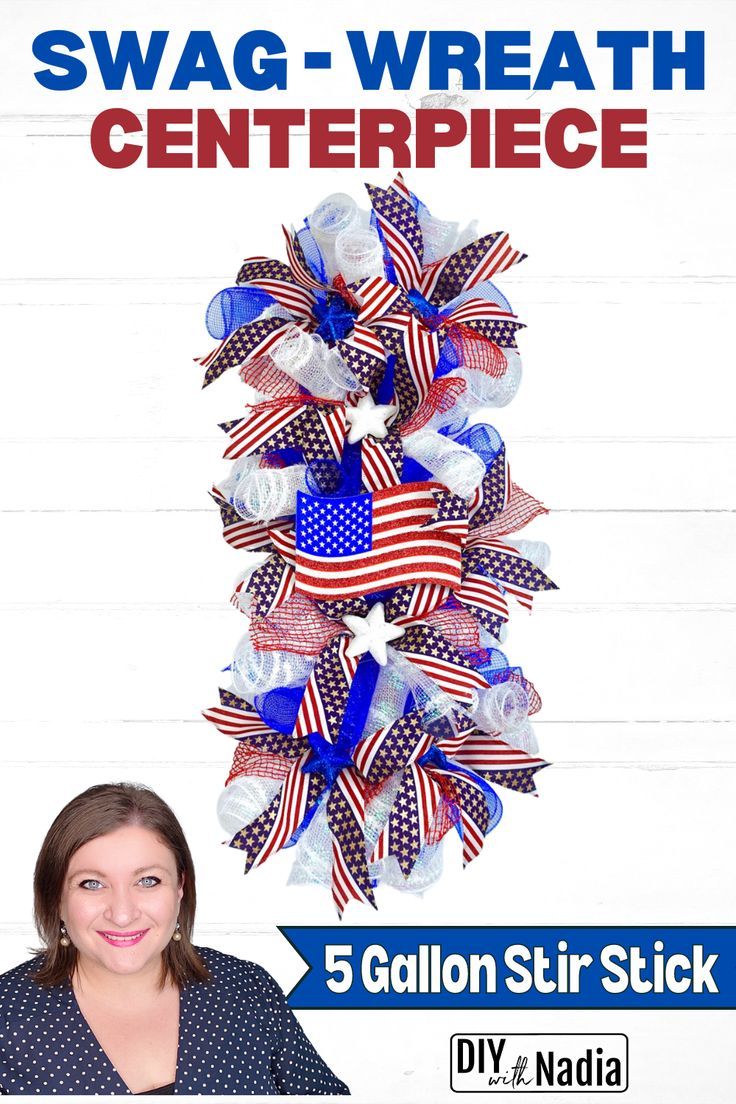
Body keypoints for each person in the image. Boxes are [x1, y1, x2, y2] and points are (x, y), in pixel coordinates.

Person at [0, 783, 349, 1096]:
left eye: (148, 881)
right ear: (57, 897)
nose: (122, 913)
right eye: (92, 883)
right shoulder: (8, 1018)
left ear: (180, 886)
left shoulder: (247, 990)